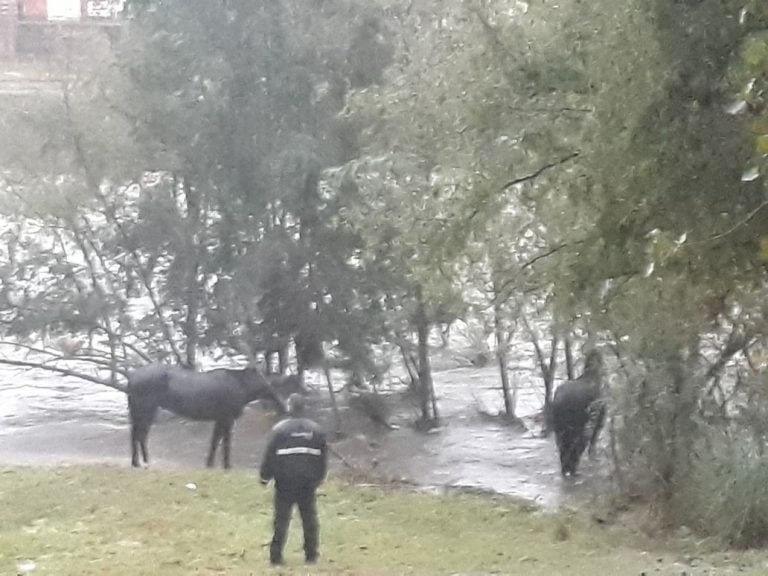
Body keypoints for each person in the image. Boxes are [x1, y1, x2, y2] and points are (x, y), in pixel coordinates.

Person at [259, 393, 327, 566]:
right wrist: (319, 478)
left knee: (281, 520)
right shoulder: (316, 431)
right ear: (304, 408)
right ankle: (311, 556)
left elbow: (270, 456)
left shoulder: (279, 430)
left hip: (284, 483)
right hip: (307, 484)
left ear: (289, 407)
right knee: (309, 519)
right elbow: (322, 459)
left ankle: (276, 558)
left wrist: (264, 477)